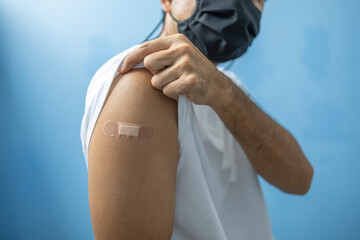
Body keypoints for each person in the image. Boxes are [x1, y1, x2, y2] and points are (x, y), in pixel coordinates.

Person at [80, 0, 314, 239]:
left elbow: (300, 179)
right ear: (168, 2)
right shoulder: (140, 89)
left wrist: (223, 91)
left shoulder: (226, 87)